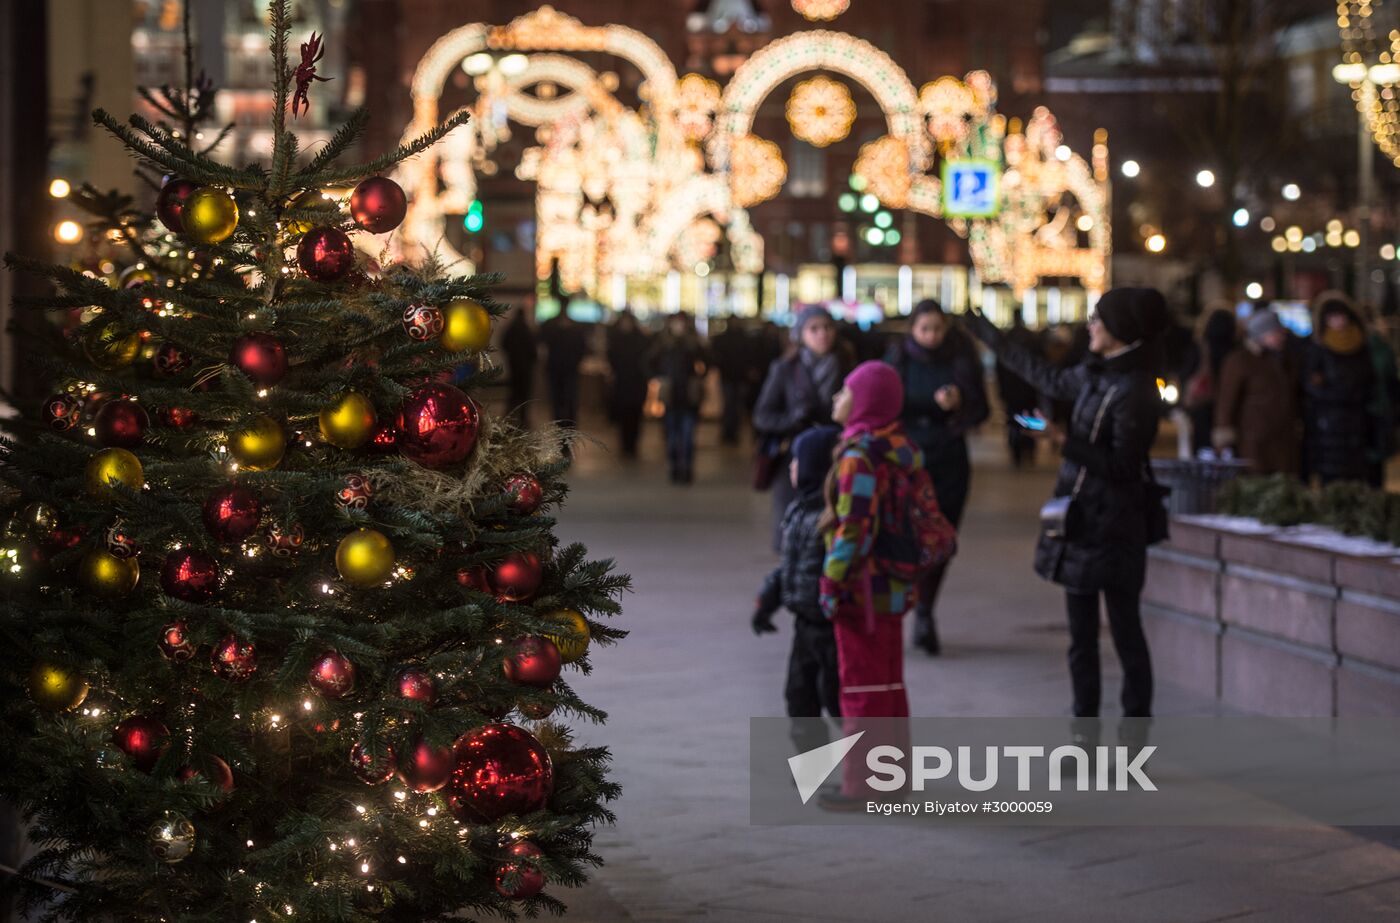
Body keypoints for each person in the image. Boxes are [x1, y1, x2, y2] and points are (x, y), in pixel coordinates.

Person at [968, 288, 1169, 724]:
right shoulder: (1096, 371)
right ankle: (1085, 738)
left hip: (1116, 524)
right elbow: (1051, 379)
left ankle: (1134, 743)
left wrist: (1060, 440)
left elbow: (1122, 466)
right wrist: (995, 339)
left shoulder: (1135, 389)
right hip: (1079, 519)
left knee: (1125, 633)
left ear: (1121, 330)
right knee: (1080, 639)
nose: (1089, 326)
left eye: (1098, 319)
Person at [816, 361, 954, 811]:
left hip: (863, 588)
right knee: (888, 683)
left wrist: (831, 582)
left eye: (846, 390)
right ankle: (893, 779)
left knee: (860, 686)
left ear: (866, 401)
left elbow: (853, 529)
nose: (837, 397)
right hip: (894, 585)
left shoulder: (860, 456)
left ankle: (864, 786)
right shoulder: (899, 448)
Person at [885, 300, 988, 655]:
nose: (931, 336)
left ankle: (926, 610)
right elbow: (882, 405)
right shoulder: (898, 359)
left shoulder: (960, 358)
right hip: (906, 459)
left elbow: (982, 408)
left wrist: (958, 404)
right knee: (905, 537)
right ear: (912, 328)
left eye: (937, 329)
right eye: (924, 328)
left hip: (947, 459)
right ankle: (905, 606)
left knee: (940, 539)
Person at [752, 425, 843, 755]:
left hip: (833, 629)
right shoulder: (797, 510)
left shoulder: (833, 518)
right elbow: (789, 567)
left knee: (838, 702)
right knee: (799, 698)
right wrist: (767, 601)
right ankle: (812, 768)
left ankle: (865, 768)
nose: (791, 467)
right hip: (804, 627)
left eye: (796, 460)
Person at [753, 306, 855, 551]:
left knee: (832, 530)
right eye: (814, 329)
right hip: (795, 458)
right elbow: (762, 416)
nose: (823, 334)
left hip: (836, 456)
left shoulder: (848, 366)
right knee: (793, 533)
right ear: (801, 334)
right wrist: (792, 419)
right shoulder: (785, 368)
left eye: (828, 327)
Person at [1212, 309, 1299, 475]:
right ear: (1261, 334)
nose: (1282, 336)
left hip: (1281, 440)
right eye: (1276, 332)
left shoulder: (1284, 360)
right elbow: (1227, 401)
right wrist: (1224, 437)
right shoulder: (1239, 361)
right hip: (1253, 442)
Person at [1303, 293, 1376, 485]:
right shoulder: (1318, 348)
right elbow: (1311, 384)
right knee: (1332, 477)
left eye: (1341, 316)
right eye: (1332, 317)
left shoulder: (1361, 345)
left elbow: (1371, 379)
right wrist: (1334, 396)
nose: (1338, 321)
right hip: (1329, 424)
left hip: (1358, 422)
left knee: (1357, 477)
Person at [649, 313, 709, 484]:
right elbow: (648, 362)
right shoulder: (664, 344)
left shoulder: (693, 344)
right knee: (673, 435)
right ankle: (675, 467)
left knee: (688, 435)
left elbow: (709, 360)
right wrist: (660, 377)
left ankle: (687, 469)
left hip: (689, 396)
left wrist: (699, 377)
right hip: (671, 396)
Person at [1182, 304, 1240, 456]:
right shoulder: (1236, 351)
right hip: (1230, 408)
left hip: (1203, 406)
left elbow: (1187, 375)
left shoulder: (1200, 348)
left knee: (1204, 452)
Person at [1359, 304, 1400, 487]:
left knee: (1373, 466)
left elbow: (1391, 381)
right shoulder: (1380, 345)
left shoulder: (1379, 346)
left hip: (1374, 413)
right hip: (1367, 412)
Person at [996, 313, 1042, 467]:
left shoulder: (1007, 339)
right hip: (1029, 387)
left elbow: (999, 368)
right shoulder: (1032, 338)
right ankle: (1030, 448)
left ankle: (1016, 450)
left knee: (1014, 419)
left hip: (1011, 388)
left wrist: (1001, 389)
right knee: (1030, 417)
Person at [606, 310, 651, 458]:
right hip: (623, 383)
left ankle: (632, 444)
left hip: (636, 383)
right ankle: (626, 444)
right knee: (624, 415)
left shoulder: (640, 340)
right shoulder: (617, 340)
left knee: (635, 414)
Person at [538, 304, 588, 427]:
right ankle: (569, 422)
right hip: (568, 369)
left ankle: (559, 422)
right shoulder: (576, 328)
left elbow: (542, 344)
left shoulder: (550, 326)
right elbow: (582, 348)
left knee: (558, 399)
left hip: (556, 369)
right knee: (569, 397)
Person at [710, 317, 750, 445]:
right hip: (732, 376)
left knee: (732, 405)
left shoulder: (732, 339)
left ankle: (730, 432)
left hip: (733, 377)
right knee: (731, 405)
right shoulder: (741, 339)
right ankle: (730, 432)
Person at [501, 301, 537, 428]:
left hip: (514, 365)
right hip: (526, 368)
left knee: (513, 393)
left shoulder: (511, 328)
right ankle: (523, 419)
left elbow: (504, 343)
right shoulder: (526, 329)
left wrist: (511, 356)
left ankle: (509, 417)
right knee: (524, 394)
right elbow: (533, 349)